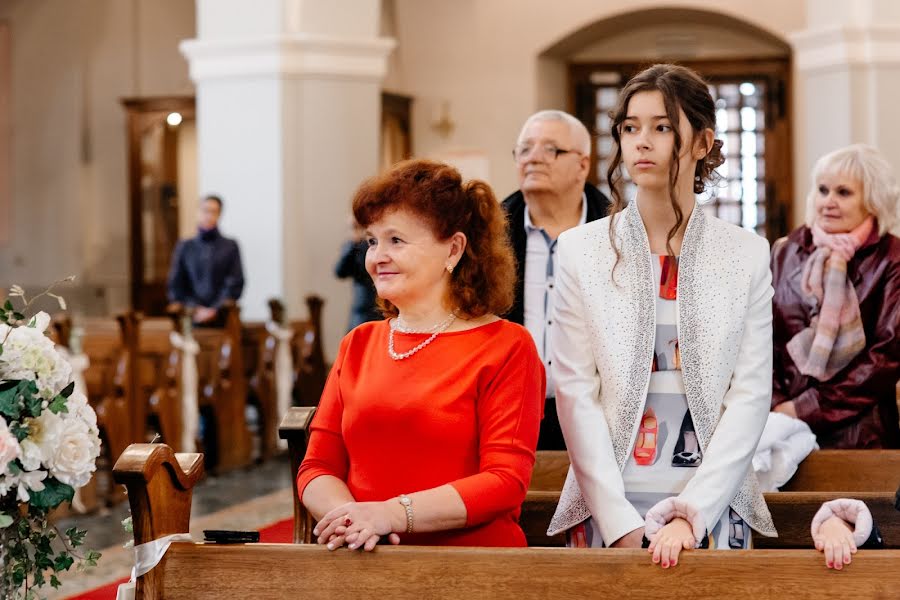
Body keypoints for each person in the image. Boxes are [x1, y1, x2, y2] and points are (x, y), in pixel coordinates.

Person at [546, 64, 776, 567]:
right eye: (630, 127)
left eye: (662, 126)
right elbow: (575, 392)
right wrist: (618, 522)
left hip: (713, 504)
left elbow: (751, 394)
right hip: (608, 504)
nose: (641, 142)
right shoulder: (579, 251)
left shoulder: (747, 254)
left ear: (702, 142)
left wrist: (692, 513)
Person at [297, 159, 545, 551]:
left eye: (396, 240)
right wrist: (355, 519)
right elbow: (317, 467)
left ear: (454, 249)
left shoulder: (507, 346)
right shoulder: (358, 344)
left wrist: (391, 515)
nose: (378, 255)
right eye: (372, 240)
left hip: (474, 569)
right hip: (365, 559)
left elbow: (504, 481)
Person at [771, 144, 900, 449]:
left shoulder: (892, 258)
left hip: (862, 435)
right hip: (782, 430)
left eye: (843, 192)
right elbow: (764, 337)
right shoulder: (786, 250)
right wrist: (776, 404)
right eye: (823, 190)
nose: (829, 202)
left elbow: (887, 356)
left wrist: (806, 408)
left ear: (872, 200)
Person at [502, 110, 610, 450]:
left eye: (551, 149)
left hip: (597, 414)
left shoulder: (617, 233)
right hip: (509, 414)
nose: (534, 158)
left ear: (582, 165)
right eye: (525, 149)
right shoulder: (489, 235)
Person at [167, 194, 245, 325]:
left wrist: (214, 309)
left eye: (213, 211)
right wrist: (196, 309)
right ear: (198, 212)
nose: (208, 215)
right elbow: (176, 284)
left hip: (222, 317)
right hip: (190, 317)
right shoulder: (185, 247)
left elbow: (235, 282)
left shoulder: (230, 246)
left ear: (219, 214)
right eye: (205, 210)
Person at [334, 220, 380, 331]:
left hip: (378, 303)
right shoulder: (351, 246)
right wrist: (353, 245)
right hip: (360, 305)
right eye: (353, 227)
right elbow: (340, 272)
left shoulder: (374, 245)